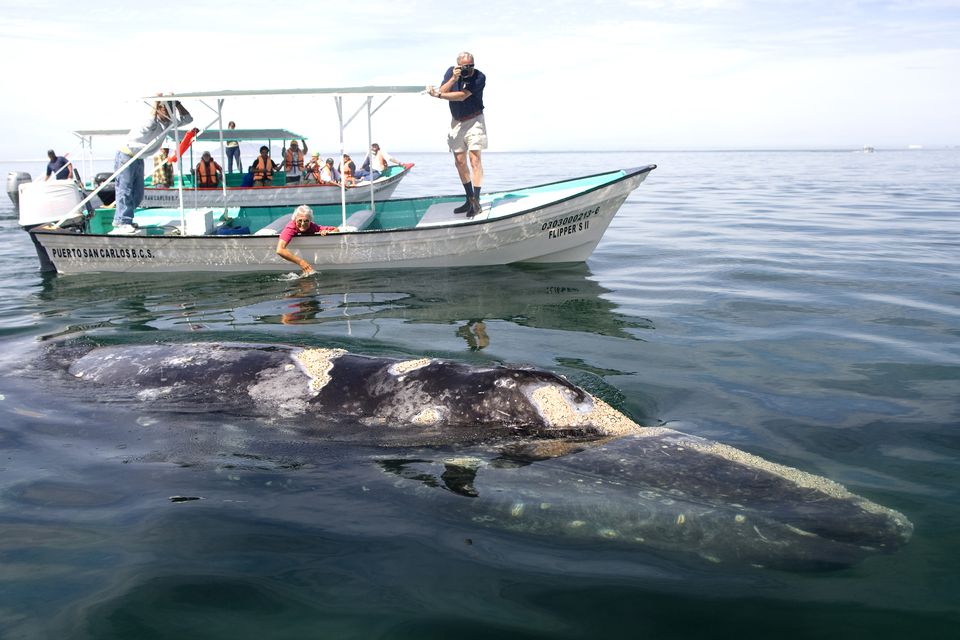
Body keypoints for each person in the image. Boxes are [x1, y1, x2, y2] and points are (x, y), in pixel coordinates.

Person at [112, 98, 193, 234]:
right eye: (166, 109)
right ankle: (123, 221)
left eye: (171, 109)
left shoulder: (168, 123)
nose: (169, 112)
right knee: (125, 189)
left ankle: (121, 219)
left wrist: (177, 104)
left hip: (139, 157)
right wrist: (156, 101)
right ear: (159, 110)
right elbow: (150, 121)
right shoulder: (151, 121)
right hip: (126, 155)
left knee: (138, 194)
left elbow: (188, 119)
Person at [428, 51, 487, 217]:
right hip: (456, 122)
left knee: (474, 159)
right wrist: (453, 78)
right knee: (459, 162)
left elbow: (461, 96)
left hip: (474, 120)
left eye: (471, 65)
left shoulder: (479, 77)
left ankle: (476, 201)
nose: (468, 69)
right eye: (464, 66)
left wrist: (438, 95)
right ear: (458, 65)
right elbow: (443, 89)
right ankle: (469, 199)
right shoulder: (451, 72)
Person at [275, 204, 338, 275]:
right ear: (295, 219)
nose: (302, 224)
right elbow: (279, 250)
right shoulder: (290, 229)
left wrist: (327, 232)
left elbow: (336, 229)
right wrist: (301, 262)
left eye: (306, 221)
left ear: (310, 221)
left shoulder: (312, 226)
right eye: (299, 220)